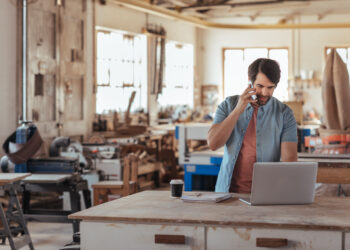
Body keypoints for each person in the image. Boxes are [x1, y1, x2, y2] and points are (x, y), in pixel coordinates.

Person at [207, 58, 297, 193]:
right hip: (227, 194)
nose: (265, 93)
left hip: (266, 195)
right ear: (250, 80)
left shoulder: (285, 114)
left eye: (270, 87)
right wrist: (238, 109)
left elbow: (289, 160)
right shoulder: (228, 105)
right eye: (260, 86)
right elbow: (213, 143)